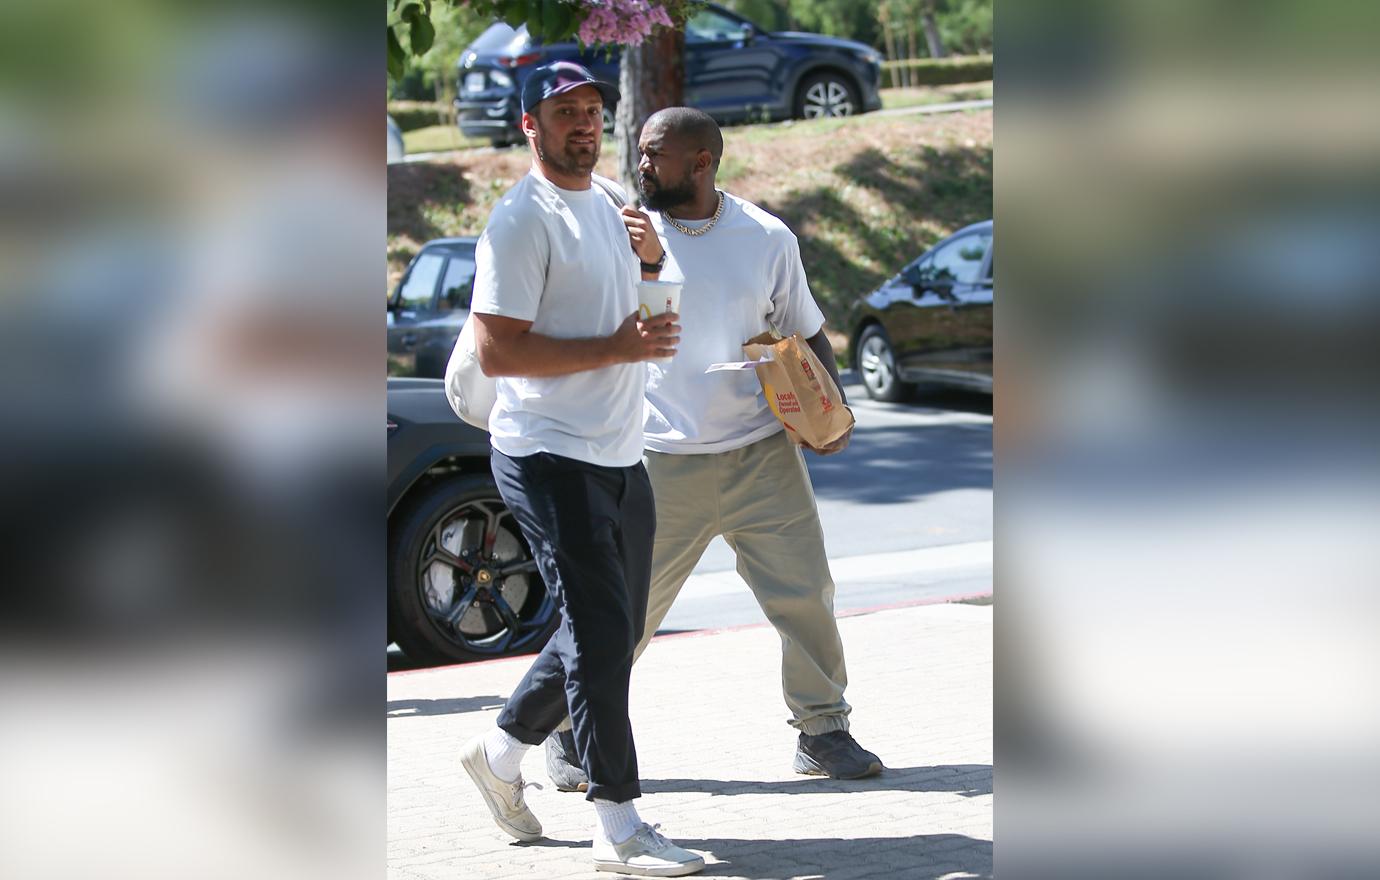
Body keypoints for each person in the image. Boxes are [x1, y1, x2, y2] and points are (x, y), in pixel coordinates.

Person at [545, 107, 884, 790]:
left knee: (806, 596)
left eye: (654, 155)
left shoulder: (764, 236)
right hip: (656, 459)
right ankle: (565, 729)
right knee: (621, 611)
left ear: (701, 162)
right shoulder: (623, 239)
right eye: (638, 153)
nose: (640, 166)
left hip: (762, 453)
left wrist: (833, 412)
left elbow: (805, 329)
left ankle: (823, 732)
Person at [457, 63, 705, 878]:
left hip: (618, 450)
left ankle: (496, 756)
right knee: (599, 633)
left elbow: (640, 309)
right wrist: (620, 348)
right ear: (529, 123)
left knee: (610, 629)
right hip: (547, 452)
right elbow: (500, 350)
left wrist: (655, 259)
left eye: (594, 110)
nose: (585, 125)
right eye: (565, 112)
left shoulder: (607, 205)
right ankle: (620, 827)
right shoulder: (521, 220)